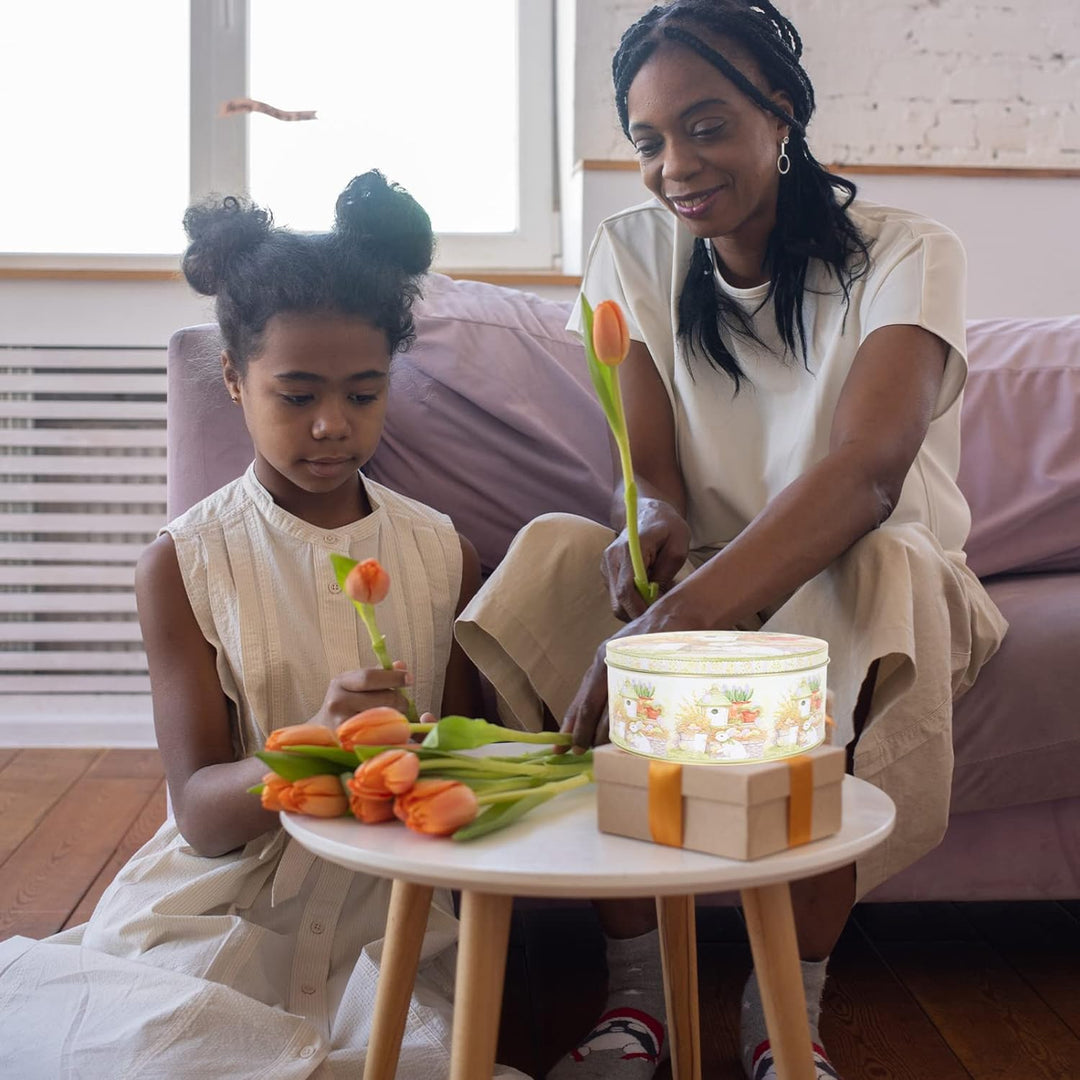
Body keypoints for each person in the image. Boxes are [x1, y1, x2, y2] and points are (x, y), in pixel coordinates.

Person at [454, 3, 1007, 1079]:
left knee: (880, 568)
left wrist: (672, 626)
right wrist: (651, 520)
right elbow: (650, 471)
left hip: (860, 569)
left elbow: (869, 473)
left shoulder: (908, 254)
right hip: (707, 583)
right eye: (651, 140)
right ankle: (639, 1000)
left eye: (706, 127)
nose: (675, 167)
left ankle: (784, 1015)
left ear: (782, 113)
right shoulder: (632, 253)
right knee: (560, 549)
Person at [0, 172, 528, 1080]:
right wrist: (306, 752)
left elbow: (456, 776)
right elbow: (202, 816)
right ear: (235, 381)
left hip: (384, 926)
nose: (332, 426)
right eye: (297, 395)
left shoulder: (443, 552)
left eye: (364, 395)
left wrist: (454, 758)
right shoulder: (184, 563)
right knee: (166, 1051)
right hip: (223, 911)